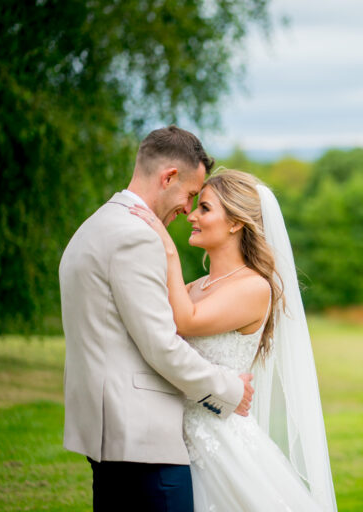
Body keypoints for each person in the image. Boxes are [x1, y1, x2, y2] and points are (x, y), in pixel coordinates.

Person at [59, 126, 255, 512]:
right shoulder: (136, 236)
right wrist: (230, 389)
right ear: (168, 177)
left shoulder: (96, 224)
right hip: (143, 438)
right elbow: (161, 346)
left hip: (107, 432)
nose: (187, 210)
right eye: (190, 195)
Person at [129, 169, 337, 511]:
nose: (192, 216)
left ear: (235, 223)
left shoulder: (253, 287)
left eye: (205, 209)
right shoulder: (196, 287)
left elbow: (185, 321)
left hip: (220, 443)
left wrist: (167, 249)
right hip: (174, 443)